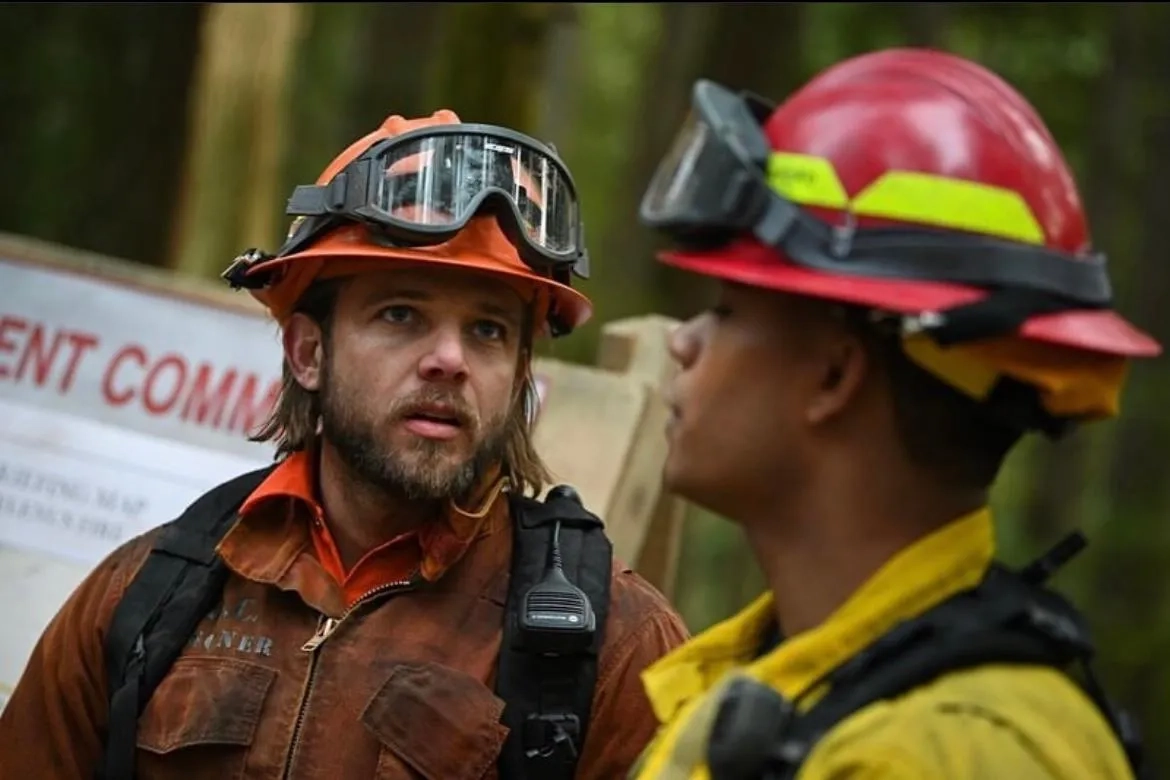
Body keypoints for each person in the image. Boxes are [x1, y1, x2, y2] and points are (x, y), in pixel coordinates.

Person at [0, 110, 689, 779]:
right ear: (308, 352)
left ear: (516, 378)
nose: (450, 360)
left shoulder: (616, 646)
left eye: (487, 331)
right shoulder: (147, 593)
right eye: (401, 314)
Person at [628, 48, 1160, 780]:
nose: (683, 342)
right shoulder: (765, 681)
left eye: (725, 311)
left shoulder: (948, 754)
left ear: (835, 374)